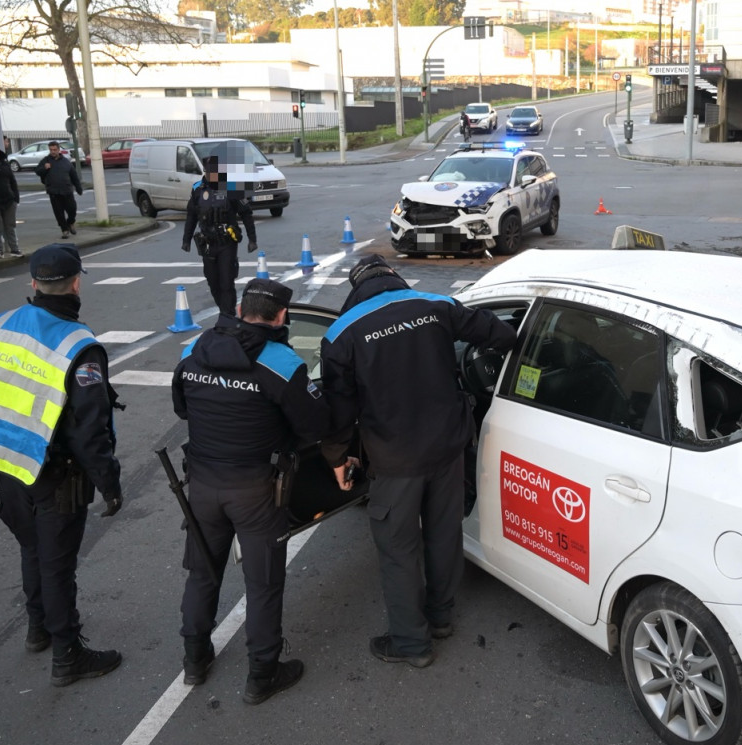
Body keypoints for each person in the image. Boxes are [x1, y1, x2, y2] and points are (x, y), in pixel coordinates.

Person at [320, 255, 517, 669]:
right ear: (394, 277)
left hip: (394, 460)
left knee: (398, 549)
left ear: (356, 289)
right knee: (445, 534)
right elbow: (499, 335)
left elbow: (339, 410)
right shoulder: (436, 305)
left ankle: (411, 642)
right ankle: (441, 617)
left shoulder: (342, 333)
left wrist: (339, 457)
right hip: (448, 447)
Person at [0, 242, 124, 686]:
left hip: (7, 463)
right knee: (58, 564)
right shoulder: (79, 347)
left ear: (33, 282)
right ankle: (68, 654)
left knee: (32, 549)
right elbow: (89, 431)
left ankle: (38, 629)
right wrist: (110, 483)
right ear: (77, 282)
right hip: (54, 473)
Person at [172, 278, 330, 703]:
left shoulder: (193, 350)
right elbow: (314, 426)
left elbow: (182, 407)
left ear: (240, 311)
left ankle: (194, 660)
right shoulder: (281, 361)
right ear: (281, 317)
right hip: (256, 490)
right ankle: (262, 674)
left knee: (203, 571)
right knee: (262, 584)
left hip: (202, 484)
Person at [182, 156, 257, 318]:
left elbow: (246, 214)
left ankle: (228, 315)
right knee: (213, 282)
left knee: (226, 282)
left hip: (227, 243)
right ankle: (224, 311)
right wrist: (186, 239)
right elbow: (191, 215)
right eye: (210, 171)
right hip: (207, 244)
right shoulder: (198, 189)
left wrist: (252, 239)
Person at [34, 142, 83, 239]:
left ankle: (70, 222)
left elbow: (74, 176)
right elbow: (37, 171)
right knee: (59, 212)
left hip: (67, 190)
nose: (53, 152)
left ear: (58, 150)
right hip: (54, 191)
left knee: (72, 209)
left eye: (55, 150)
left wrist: (78, 188)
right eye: (51, 150)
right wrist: (44, 168)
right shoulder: (45, 161)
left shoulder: (66, 161)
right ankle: (64, 229)